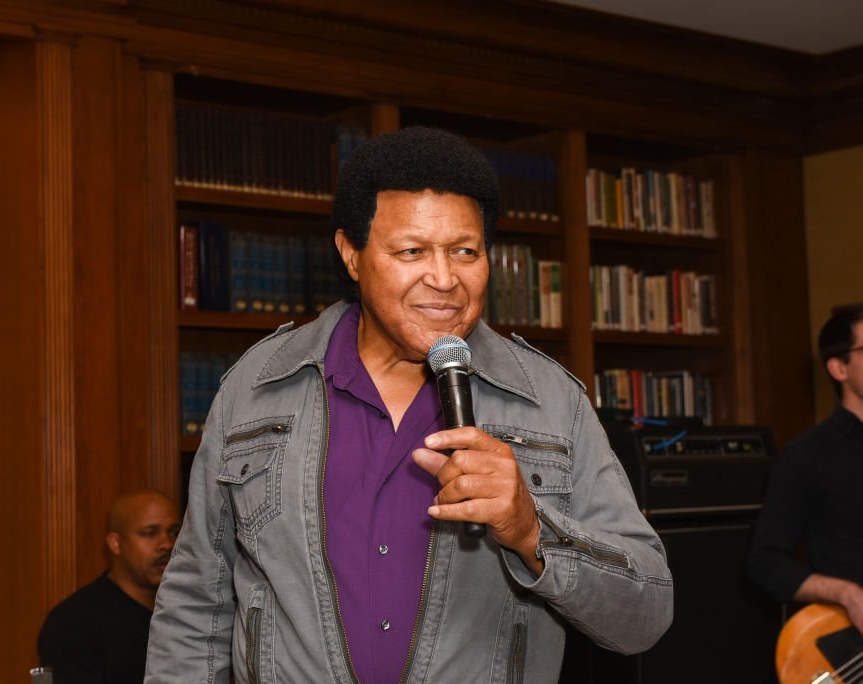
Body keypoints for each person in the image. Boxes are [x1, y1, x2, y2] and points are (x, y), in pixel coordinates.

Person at [145, 126, 673, 683]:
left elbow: (646, 616)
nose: (444, 278)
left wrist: (531, 530)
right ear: (351, 254)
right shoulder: (256, 386)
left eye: (464, 251)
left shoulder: (550, 401)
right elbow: (194, 605)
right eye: (411, 251)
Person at [749, 306, 863, 642]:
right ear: (839, 368)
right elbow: (765, 563)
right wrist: (847, 594)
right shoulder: (808, 455)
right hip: (857, 646)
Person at [38, 490, 182, 683]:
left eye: (174, 532)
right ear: (115, 543)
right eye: (150, 533)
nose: (167, 544)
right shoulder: (74, 623)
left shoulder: (187, 610)